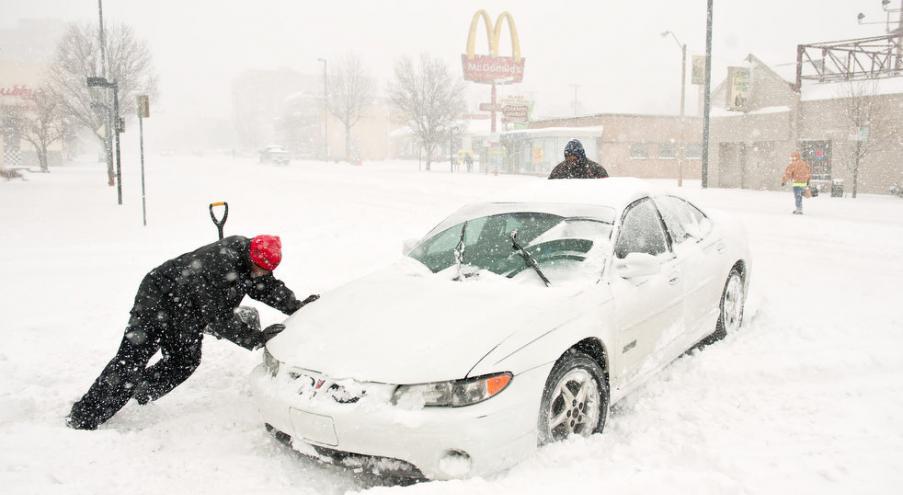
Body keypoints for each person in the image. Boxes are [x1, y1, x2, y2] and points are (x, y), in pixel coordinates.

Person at [66, 235, 318, 430]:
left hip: (187, 307)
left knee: (184, 361)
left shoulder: (251, 262)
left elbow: (265, 286)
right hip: (159, 298)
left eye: (266, 269)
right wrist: (255, 338)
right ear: (251, 256)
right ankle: (84, 416)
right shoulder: (218, 264)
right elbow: (217, 317)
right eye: (259, 268)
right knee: (132, 358)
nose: (261, 273)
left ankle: (139, 392)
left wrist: (295, 306)